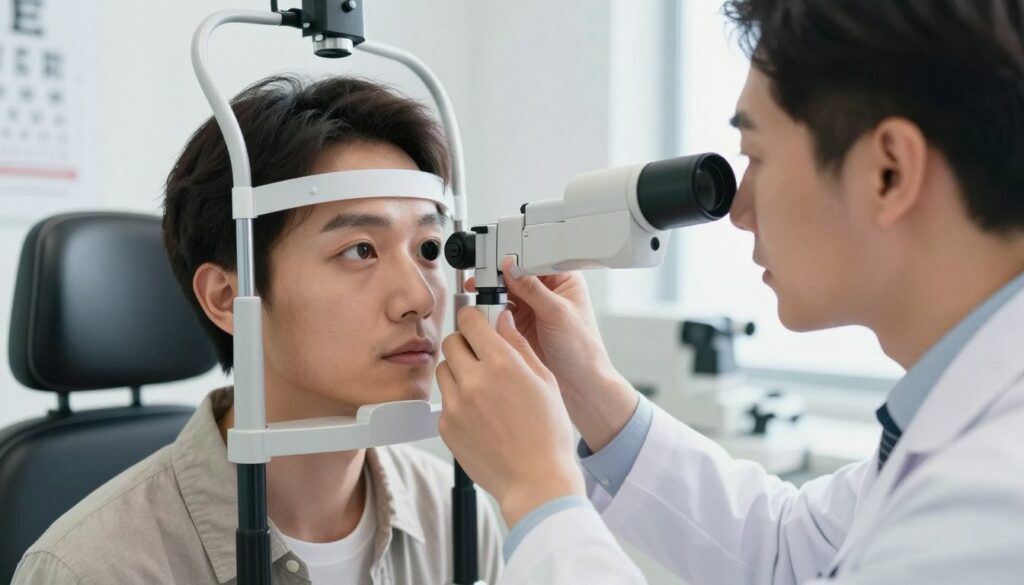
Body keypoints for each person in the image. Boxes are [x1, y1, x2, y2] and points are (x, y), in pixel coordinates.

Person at [435, 1, 1024, 583]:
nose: (740, 210)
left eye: (757, 156)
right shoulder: (961, 429)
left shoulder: (988, 504)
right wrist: (592, 390)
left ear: (887, 171)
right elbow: (791, 552)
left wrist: (538, 492)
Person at [12, 75, 504, 585]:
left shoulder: (455, 515)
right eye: (360, 250)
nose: (420, 300)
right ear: (227, 299)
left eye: (428, 249)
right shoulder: (95, 569)